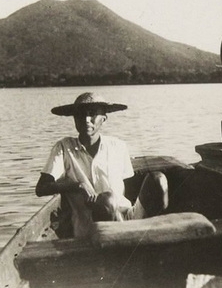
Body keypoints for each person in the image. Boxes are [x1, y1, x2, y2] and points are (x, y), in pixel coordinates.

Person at [35, 92, 168, 238]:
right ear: (74, 119)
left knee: (157, 180)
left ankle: (148, 236)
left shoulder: (118, 146)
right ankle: (130, 241)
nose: (86, 120)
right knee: (106, 200)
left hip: (127, 218)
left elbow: (129, 188)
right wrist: (78, 185)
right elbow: (42, 188)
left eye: (92, 114)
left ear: (103, 119)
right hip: (91, 227)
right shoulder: (63, 148)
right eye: (80, 115)